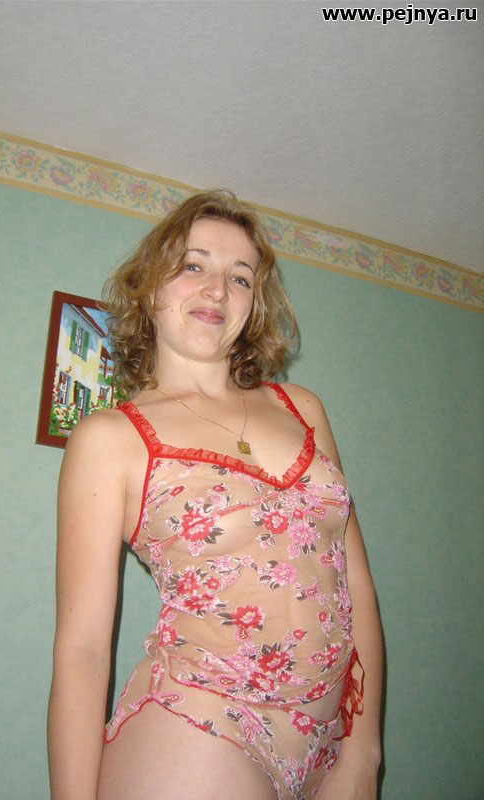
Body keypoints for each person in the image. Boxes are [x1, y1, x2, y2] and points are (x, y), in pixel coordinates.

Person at [47, 190, 383, 800]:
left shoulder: (303, 408)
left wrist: (364, 750)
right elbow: (83, 650)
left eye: (240, 277)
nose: (217, 290)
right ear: (149, 287)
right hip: (199, 729)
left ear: (253, 305)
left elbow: (354, 584)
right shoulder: (110, 438)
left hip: (330, 741)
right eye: (193, 265)